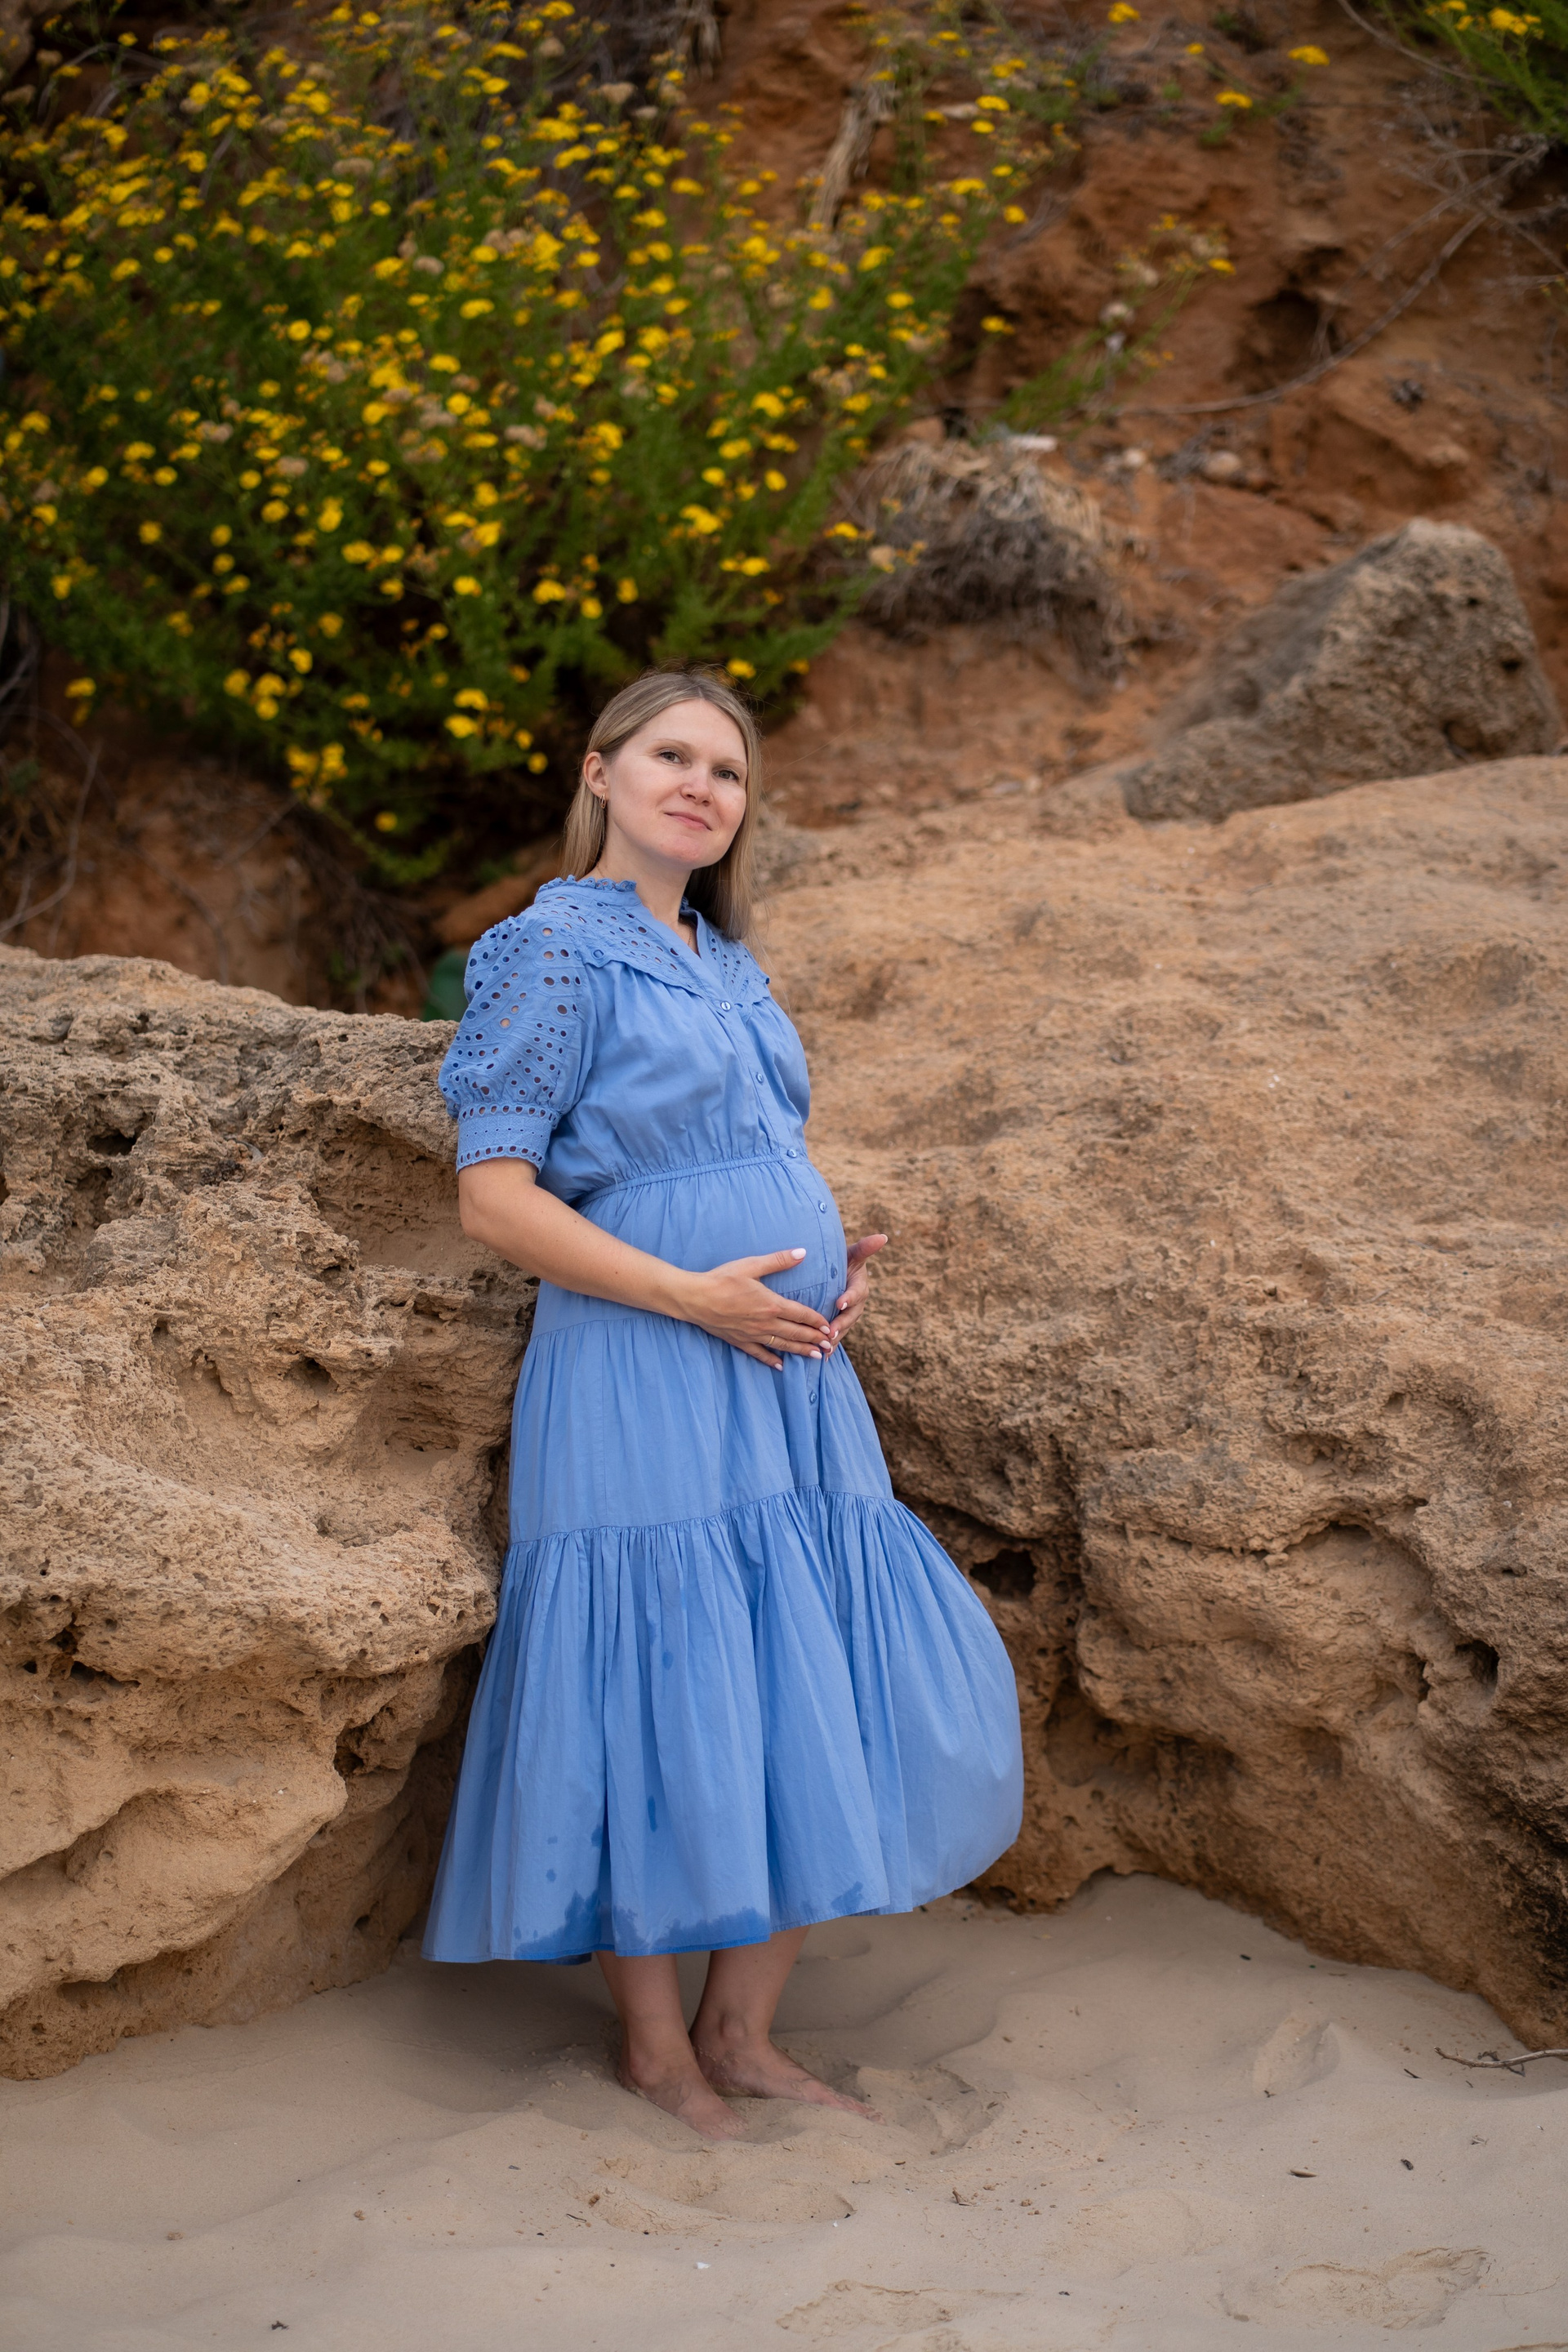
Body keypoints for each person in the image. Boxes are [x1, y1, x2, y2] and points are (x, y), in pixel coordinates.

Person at [423, 666, 1023, 2140]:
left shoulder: (729, 960)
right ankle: (656, 2051)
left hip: (792, 1367)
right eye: (672, 757)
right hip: (641, 1362)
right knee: (653, 1669)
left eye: (730, 770)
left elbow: (754, 1154)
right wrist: (696, 1294)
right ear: (601, 773)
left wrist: (826, 1267)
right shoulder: (546, 952)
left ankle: (741, 2035)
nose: (703, 786)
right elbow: (495, 1199)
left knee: (807, 1659)